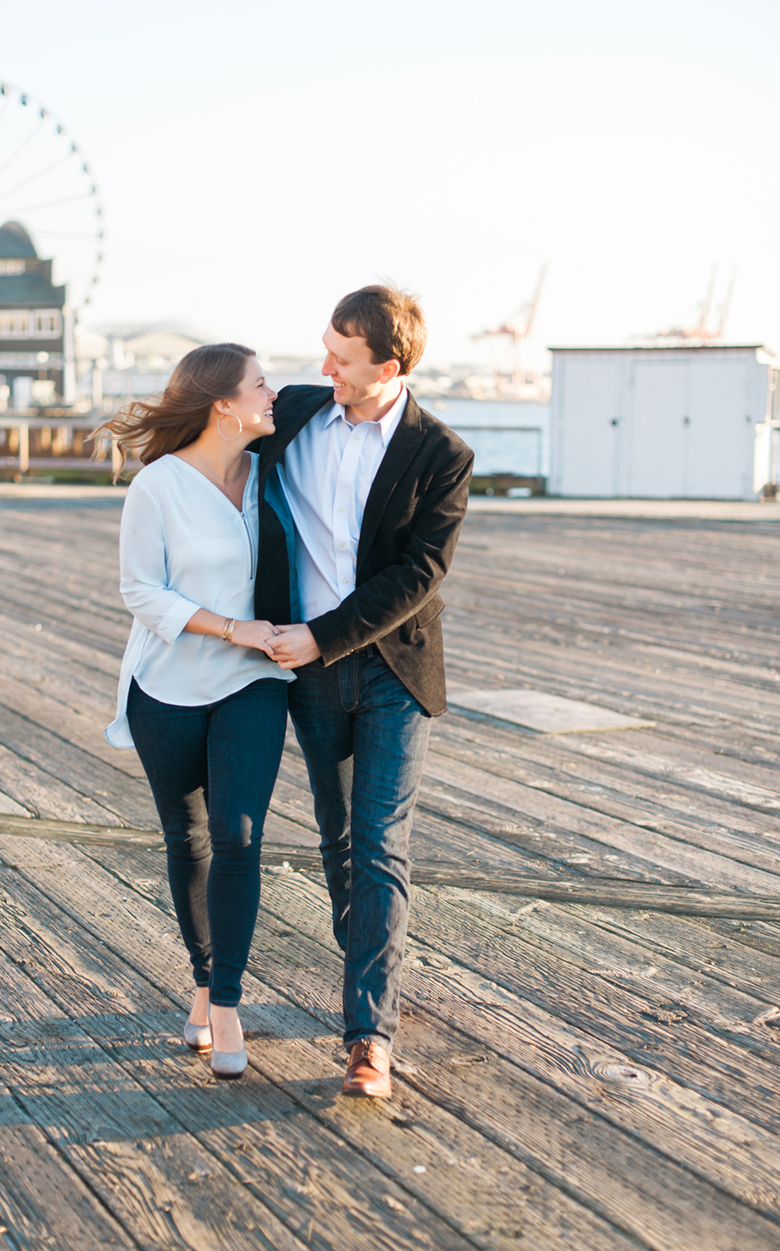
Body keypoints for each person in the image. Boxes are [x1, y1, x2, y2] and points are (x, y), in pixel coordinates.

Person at [257, 286, 474, 1098]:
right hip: (309, 679)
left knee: (382, 844)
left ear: (390, 367)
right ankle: (372, 964)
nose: (324, 368)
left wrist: (325, 635)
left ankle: (367, 1037)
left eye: (341, 360)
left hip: (392, 671)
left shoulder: (442, 453)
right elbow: (212, 430)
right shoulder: (298, 412)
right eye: (325, 350)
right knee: (340, 843)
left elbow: (421, 573)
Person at [101, 343, 295, 1080]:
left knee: (238, 835)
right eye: (261, 382)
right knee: (189, 842)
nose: (274, 393)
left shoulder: (273, 475)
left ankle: (226, 1001)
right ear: (222, 402)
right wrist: (230, 624)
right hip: (168, 687)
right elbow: (140, 591)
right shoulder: (157, 486)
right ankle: (204, 980)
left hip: (253, 682)